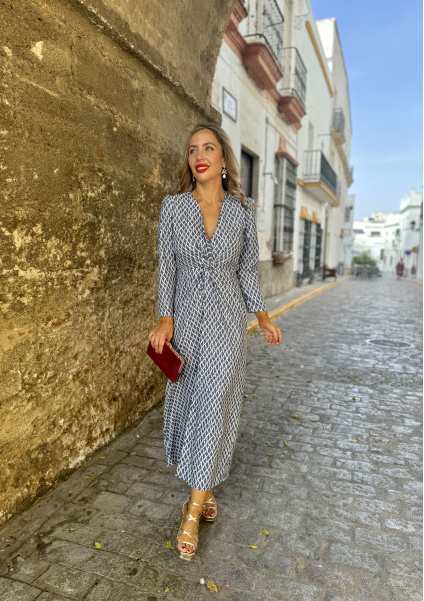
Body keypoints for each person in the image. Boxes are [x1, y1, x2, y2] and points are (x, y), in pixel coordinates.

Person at [148, 123, 282, 561]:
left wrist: (263, 319)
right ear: (188, 161)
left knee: (214, 407)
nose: (199, 155)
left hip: (227, 325)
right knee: (190, 405)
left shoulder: (242, 213)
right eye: (192, 149)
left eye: (209, 148)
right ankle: (203, 492)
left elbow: (246, 271)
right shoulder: (173, 208)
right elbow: (167, 267)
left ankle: (192, 509)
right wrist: (165, 322)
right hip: (185, 323)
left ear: (225, 159)